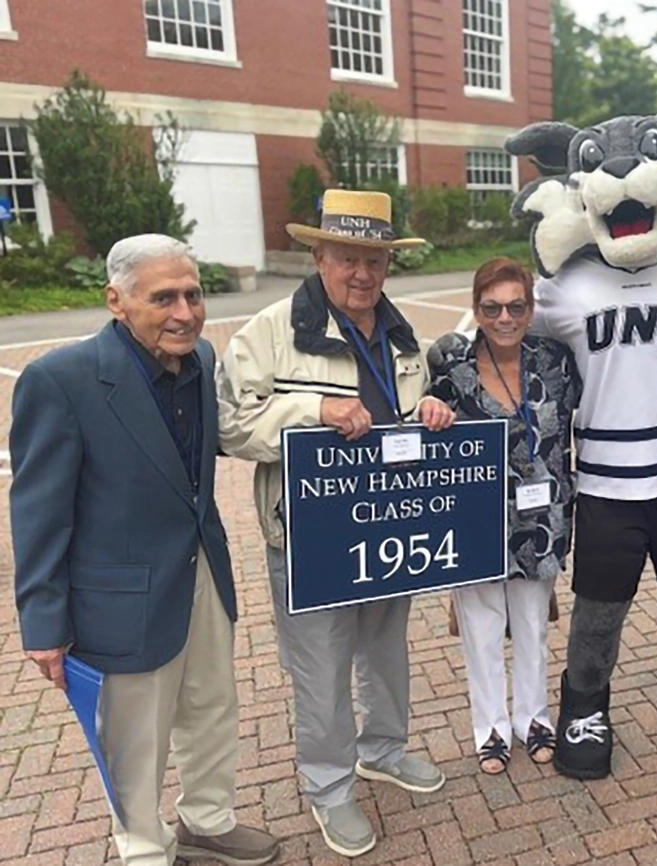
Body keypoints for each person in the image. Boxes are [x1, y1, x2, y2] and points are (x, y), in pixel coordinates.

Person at [505, 94, 657, 780]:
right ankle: (584, 705)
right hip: (608, 480)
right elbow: (501, 339)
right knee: (599, 608)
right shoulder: (565, 286)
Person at [11, 235, 279, 866]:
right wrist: (44, 623)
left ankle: (207, 822)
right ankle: (142, 847)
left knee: (212, 707)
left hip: (203, 574)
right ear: (117, 301)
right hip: (120, 597)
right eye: (163, 297)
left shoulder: (201, 359)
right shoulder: (61, 380)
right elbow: (39, 513)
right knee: (135, 738)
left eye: (192, 293)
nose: (185, 311)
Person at [217, 190, 455, 858]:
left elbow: (409, 419)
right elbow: (232, 425)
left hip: (391, 527)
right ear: (318, 255)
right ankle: (327, 786)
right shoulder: (268, 331)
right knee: (320, 668)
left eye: (375, 260)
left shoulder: (407, 337)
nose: (362, 274)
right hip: (311, 534)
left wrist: (433, 411)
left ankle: (383, 751)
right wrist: (312, 411)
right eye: (347, 258)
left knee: (386, 649)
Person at [426, 258, 581, 775]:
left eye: (517, 306)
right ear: (476, 310)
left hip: (542, 518)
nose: (505, 317)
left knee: (534, 624)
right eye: (491, 308)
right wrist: (429, 408)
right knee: (482, 626)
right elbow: (423, 414)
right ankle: (490, 727)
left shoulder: (555, 361)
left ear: (531, 309)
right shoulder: (451, 360)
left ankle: (534, 718)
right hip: (477, 519)